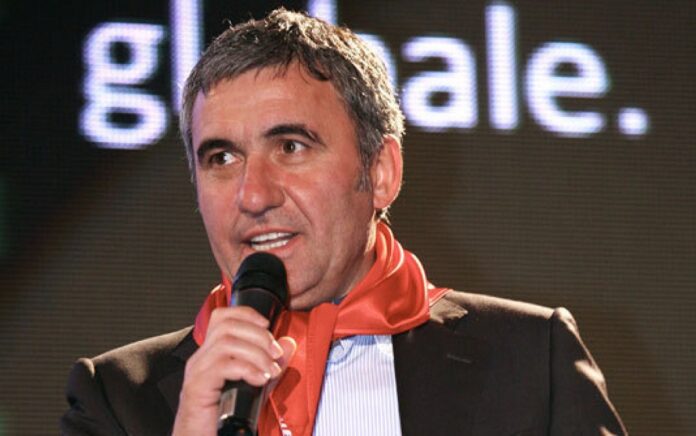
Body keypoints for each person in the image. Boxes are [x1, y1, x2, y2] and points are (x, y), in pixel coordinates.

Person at [62, 8, 627, 436]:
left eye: (291, 146)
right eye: (222, 158)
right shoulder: (114, 399)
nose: (252, 195)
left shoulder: (531, 359)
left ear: (380, 172)